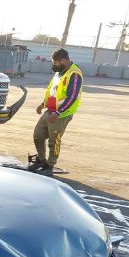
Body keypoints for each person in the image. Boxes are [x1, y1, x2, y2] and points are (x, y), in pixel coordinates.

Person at [30, 48, 83, 176]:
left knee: (55, 141)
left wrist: (59, 112)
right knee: (38, 135)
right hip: (50, 111)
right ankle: (41, 161)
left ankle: (50, 165)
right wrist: (43, 104)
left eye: (55, 62)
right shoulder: (59, 73)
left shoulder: (74, 74)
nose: (53, 65)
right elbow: (52, 91)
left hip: (61, 114)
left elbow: (72, 96)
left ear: (63, 61)